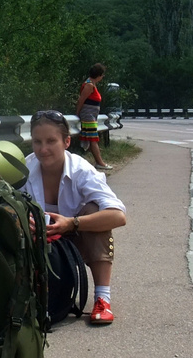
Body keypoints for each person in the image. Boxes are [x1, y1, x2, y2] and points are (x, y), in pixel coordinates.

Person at [24, 110, 127, 324]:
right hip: (39, 241)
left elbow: (118, 215)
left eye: (51, 141)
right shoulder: (24, 169)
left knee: (94, 211)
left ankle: (102, 299)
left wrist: (72, 223)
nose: (43, 149)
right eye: (37, 142)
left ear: (67, 142)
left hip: (75, 238)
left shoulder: (82, 171)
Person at [76, 63, 112, 170]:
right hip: (88, 115)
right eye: (102, 75)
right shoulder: (89, 85)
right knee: (93, 139)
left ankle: (97, 161)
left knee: (93, 139)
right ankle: (100, 163)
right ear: (99, 75)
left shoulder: (92, 84)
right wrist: (77, 113)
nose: (103, 77)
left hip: (92, 115)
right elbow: (81, 100)